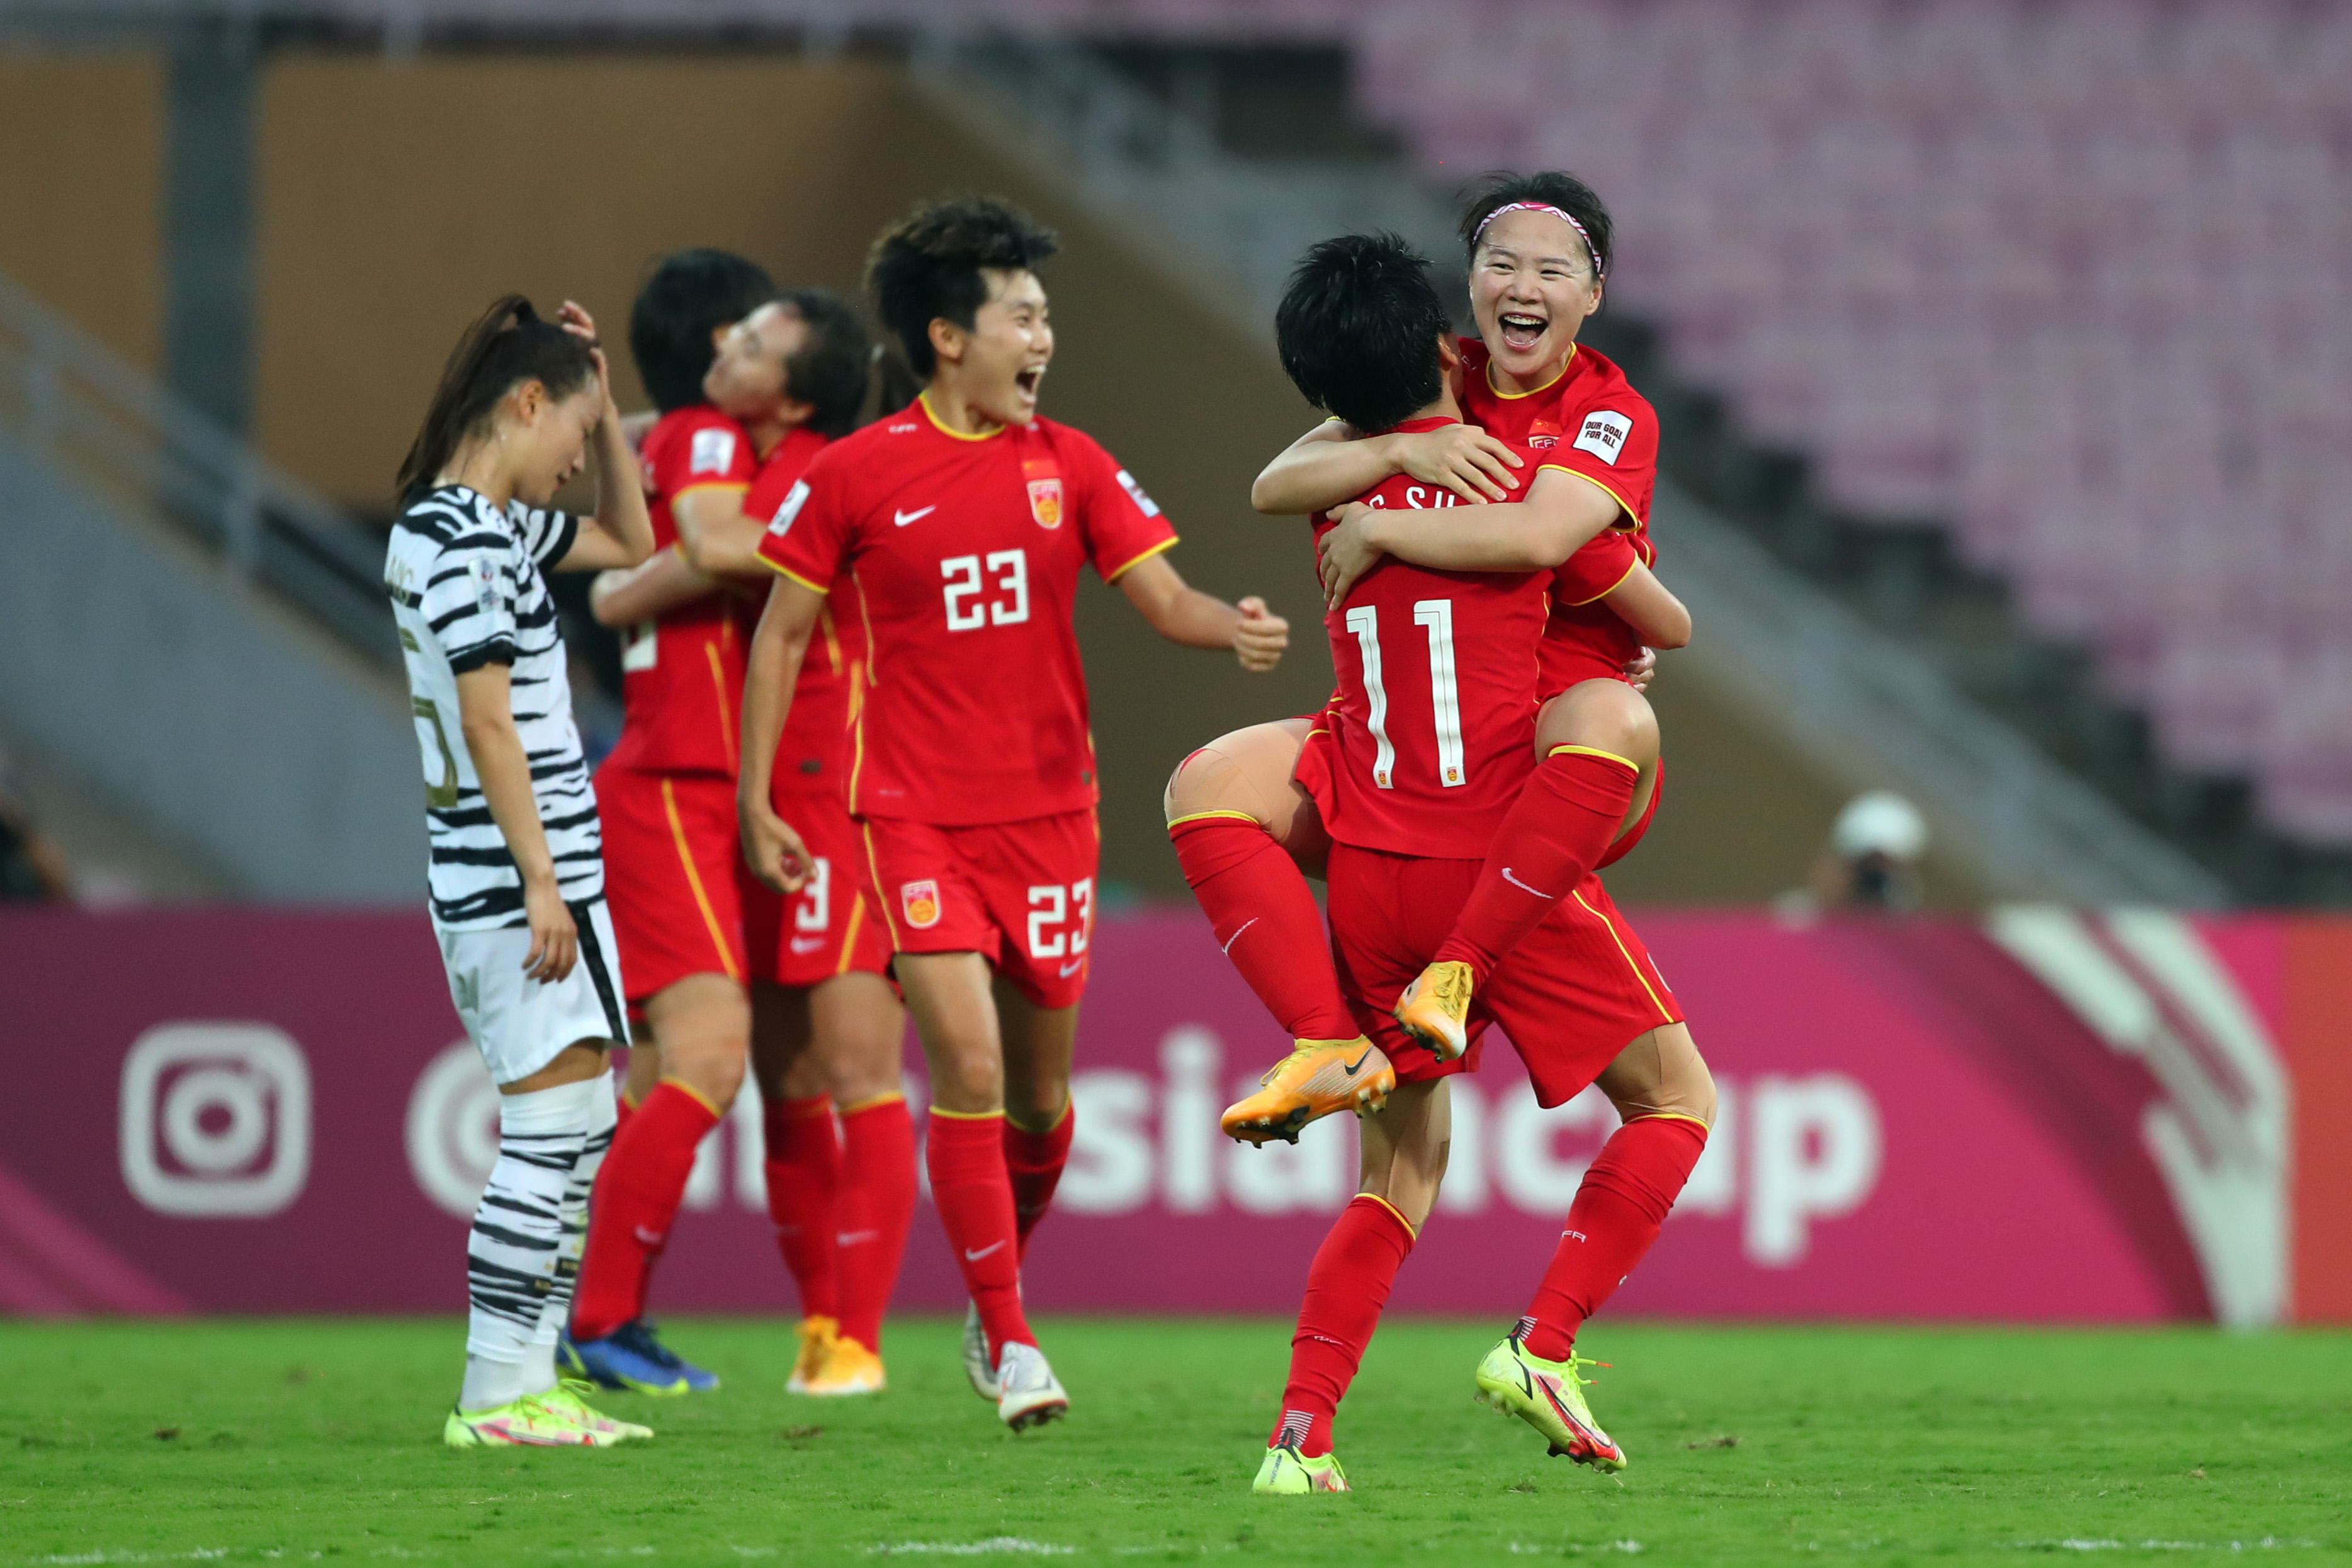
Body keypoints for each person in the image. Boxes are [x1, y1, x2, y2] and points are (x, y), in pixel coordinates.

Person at [737, 196, 1289, 1431]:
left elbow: (1161, 597)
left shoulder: (1070, 463)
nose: (1043, 338)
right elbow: (780, 637)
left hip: (1050, 817)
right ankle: (1010, 1337)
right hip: (910, 812)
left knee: (1040, 1102)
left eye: (1045, 319)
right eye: (1022, 316)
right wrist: (761, 792)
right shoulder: (851, 476)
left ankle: (998, 1296)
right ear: (949, 337)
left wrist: (1230, 626)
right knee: (969, 1064)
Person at [1175, 232, 1714, 1493]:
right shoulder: (1518, 476)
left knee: (1400, 1168)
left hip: (1364, 866)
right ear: (1437, 340)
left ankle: (1298, 1436)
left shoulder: (1329, 495)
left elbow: (1276, 478)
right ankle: (1543, 1344)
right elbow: (1657, 618)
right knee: (1676, 1100)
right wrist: (1624, 592)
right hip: (1494, 866)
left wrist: (1380, 488)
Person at [1250, 170, 1678, 1077]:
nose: (1523, 288)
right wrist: (1403, 447)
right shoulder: (1442, 373)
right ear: (1472, 277)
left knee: (1612, 718)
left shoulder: (1606, 412)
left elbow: (1550, 544)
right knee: (1207, 786)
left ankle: (1433, 984)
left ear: (1594, 293)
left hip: (1552, 749)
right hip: (1436, 757)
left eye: (1553, 272)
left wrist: (1384, 523)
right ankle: (1326, 1041)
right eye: (1500, 263)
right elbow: (1270, 485)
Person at [587, 284, 914, 1399]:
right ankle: (601, 1312)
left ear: (796, 386)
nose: (741, 340)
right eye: (738, 326)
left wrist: (628, 587)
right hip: (715, 784)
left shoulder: (780, 456)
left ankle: (837, 1333)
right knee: (734, 1062)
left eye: (764, 335)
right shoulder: (713, 440)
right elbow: (720, 537)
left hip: (801, 796)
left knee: (800, 1068)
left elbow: (717, 543)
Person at [385, 294, 656, 1447]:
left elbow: (637, 547)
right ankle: (498, 1393)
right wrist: (543, 882)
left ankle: (533, 1374)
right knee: (549, 1129)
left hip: (544, 877)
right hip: (514, 882)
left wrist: (605, 397)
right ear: (523, 403)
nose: (584, 460)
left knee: (585, 1124)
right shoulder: (457, 539)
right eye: (578, 434)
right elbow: (490, 724)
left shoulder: (481, 528)